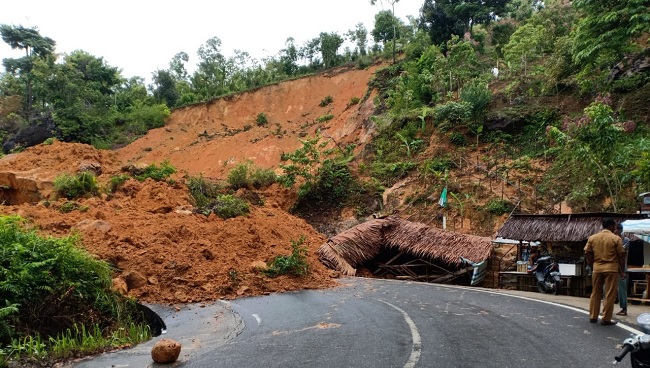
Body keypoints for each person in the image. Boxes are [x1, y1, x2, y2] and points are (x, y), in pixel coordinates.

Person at [584, 218, 626, 325]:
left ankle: (593, 316)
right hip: (611, 268)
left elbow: (587, 252)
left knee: (595, 292)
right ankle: (606, 318)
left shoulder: (593, 238)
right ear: (611, 226)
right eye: (614, 226)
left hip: (597, 268)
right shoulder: (616, 239)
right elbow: (621, 255)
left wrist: (592, 263)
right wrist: (622, 271)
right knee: (609, 294)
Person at [614, 223, 631, 316]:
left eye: (616, 229)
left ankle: (624, 308)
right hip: (612, 267)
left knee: (622, 289)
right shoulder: (613, 239)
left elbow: (621, 252)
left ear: (619, 230)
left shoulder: (626, 240)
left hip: (622, 268)